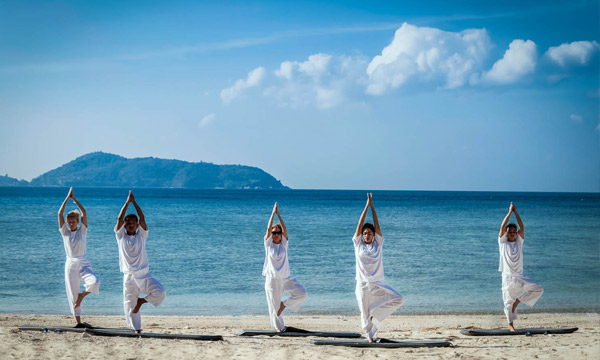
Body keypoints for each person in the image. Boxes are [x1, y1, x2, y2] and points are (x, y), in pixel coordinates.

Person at [353, 193, 403, 342]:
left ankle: (375, 317)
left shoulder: (378, 244)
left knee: (398, 299)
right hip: (362, 284)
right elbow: (359, 225)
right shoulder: (358, 245)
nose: (367, 235)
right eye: (365, 233)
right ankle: (370, 336)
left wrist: (372, 207)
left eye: (369, 233)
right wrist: (365, 207)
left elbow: (377, 224)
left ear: (374, 235)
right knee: (364, 314)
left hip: (377, 284)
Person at [115, 190, 166, 333]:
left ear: (137, 225)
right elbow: (119, 220)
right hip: (129, 276)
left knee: (160, 291)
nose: (131, 225)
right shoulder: (121, 237)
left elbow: (143, 218)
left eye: (134, 223)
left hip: (144, 274)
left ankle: (141, 301)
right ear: (125, 226)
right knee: (129, 304)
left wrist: (134, 202)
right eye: (129, 223)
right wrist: (126, 203)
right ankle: (137, 329)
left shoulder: (141, 236)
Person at [58, 187, 100, 327]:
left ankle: (81, 297)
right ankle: (78, 322)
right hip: (70, 264)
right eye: (69, 222)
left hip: (83, 261)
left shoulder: (82, 231)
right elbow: (59, 213)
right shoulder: (65, 232)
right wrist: (66, 198)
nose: (71, 224)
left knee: (94, 282)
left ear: (77, 221)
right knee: (72, 294)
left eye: (73, 221)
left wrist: (74, 199)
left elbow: (85, 213)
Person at [498, 202, 544, 331]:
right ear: (506, 234)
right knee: (508, 303)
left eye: (514, 231)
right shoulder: (502, 243)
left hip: (520, 276)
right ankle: (511, 326)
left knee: (538, 289)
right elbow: (502, 227)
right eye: (510, 231)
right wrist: (509, 212)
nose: (512, 233)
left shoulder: (519, 242)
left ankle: (518, 301)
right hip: (507, 277)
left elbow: (522, 227)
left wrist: (516, 212)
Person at [262, 202, 307, 332]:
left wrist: (279, 214)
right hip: (272, 280)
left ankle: (284, 304)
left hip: (285, 278)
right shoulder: (268, 245)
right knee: (274, 310)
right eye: (274, 233)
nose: (276, 234)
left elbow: (285, 230)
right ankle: (280, 328)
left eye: (278, 232)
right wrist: (273, 213)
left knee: (302, 293)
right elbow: (268, 228)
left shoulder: (284, 245)